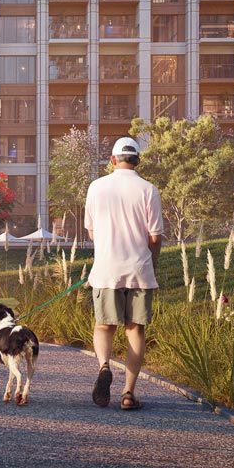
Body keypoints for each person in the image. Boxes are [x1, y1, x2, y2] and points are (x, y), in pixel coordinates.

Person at [83, 137, 164, 410]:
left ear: (113, 160)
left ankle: (104, 365)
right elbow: (155, 237)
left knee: (104, 325)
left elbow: (92, 232)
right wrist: (153, 262)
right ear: (137, 160)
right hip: (139, 268)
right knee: (135, 329)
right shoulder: (149, 189)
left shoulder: (96, 187)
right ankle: (128, 394)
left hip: (106, 268)